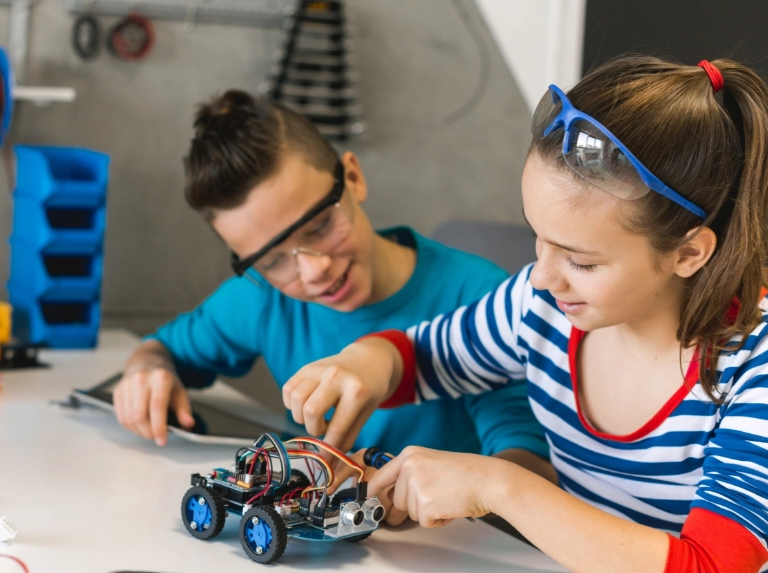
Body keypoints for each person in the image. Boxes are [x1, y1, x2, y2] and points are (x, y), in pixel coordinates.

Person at [281, 56, 768, 573]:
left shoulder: (754, 363)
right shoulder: (542, 307)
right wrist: (362, 364)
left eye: (581, 261)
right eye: (538, 238)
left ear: (689, 253)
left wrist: (500, 485)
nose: (541, 277)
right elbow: (423, 357)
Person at [113, 90, 549, 507]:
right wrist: (148, 374)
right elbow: (161, 349)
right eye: (272, 262)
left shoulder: (481, 299)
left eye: (320, 225)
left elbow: (530, 468)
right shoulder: (263, 297)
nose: (313, 268)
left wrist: (458, 494)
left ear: (354, 178)